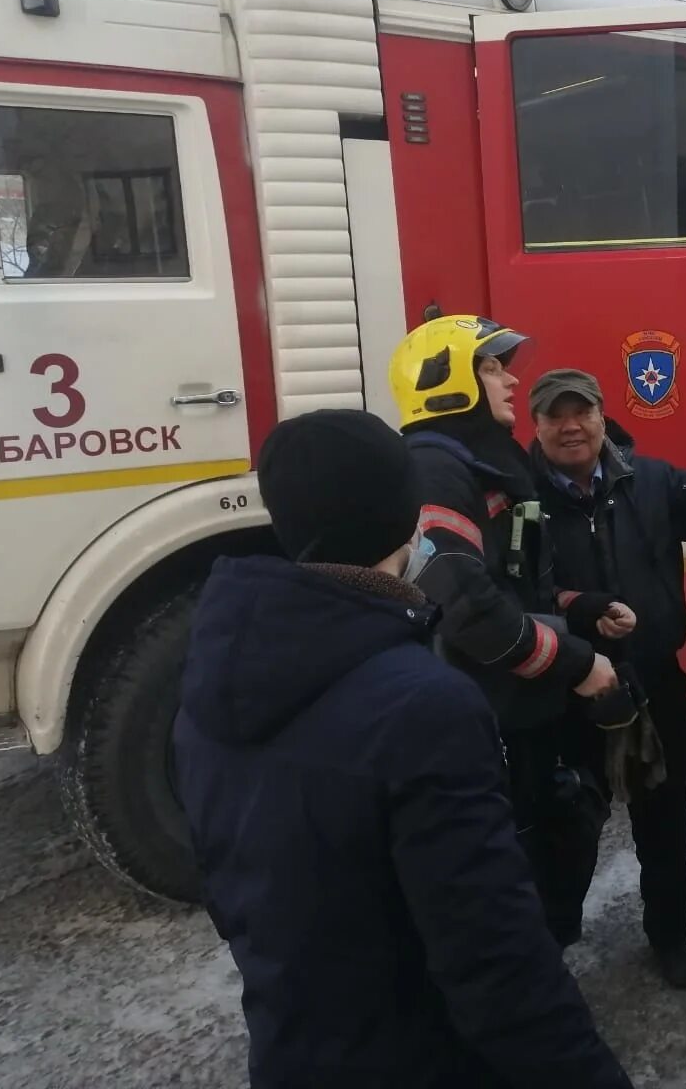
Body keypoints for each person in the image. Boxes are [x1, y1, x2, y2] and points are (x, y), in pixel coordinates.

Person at [173, 409, 633, 1089]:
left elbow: (230, 890)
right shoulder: (424, 708)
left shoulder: (211, 683)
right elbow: (497, 968)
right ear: (403, 515)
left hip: (292, 1049)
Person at [389, 315, 624, 948]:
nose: (509, 381)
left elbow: (513, 585)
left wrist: (579, 607)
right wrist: (578, 663)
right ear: (446, 381)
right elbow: (467, 608)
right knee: (516, 867)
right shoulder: (436, 471)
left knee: (563, 827)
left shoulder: (479, 463)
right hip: (488, 716)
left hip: (518, 707)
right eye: (491, 367)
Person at [528, 368, 686, 988]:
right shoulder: (520, 496)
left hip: (655, 684)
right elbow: (516, 590)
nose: (570, 426)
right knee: (567, 825)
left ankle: (669, 937)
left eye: (582, 412)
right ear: (537, 425)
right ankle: (550, 945)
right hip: (569, 691)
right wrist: (579, 610)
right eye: (556, 415)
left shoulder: (648, 477)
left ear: (603, 417)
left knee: (664, 822)